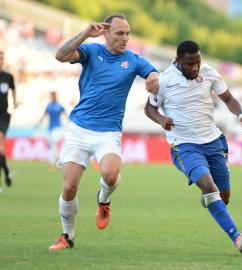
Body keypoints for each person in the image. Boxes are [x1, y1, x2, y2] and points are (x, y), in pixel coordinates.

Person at [48, 13, 159, 251]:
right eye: (120, 33)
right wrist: (85, 34)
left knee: (110, 174)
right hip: (79, 128)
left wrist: (152, 75)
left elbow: (153, 71)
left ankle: (104, 199)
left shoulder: (133, 60)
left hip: (108, 132)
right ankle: (67, 236)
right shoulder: (91, 51)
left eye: (128, 33)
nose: (125, 38)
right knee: (69, 188)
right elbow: (60, 55)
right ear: (106, 33)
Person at [145, 40, 242, 256]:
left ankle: (209, 195)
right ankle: (237, 237)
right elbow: (150, 108)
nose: (195, 67)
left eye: (198, 62)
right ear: (177, 61)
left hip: (213, 141)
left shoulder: (209, 73)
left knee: (223, 198)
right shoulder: (165, 80)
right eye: (189, 64)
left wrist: (241, 114)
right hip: (184, 145)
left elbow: (229, 98)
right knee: (209, 186)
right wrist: (162, 120)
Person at [0, 50, 18, 191]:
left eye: (1, 58)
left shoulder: (8, 77)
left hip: (4, 116)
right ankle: (6, 170)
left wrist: (15, 102)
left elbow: (13, 90)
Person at [36, 91, 66, 170]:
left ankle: (52, 163)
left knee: (53, 143)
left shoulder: (59, 106)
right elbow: (44, 115)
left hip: (57, 128)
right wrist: (38, 124)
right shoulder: (48, 106)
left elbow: (65, 114)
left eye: (53, 96)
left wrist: (70, 124)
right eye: (51, 96)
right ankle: (60, 160)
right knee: (52, 145)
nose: (52, 97)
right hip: (50, 128)